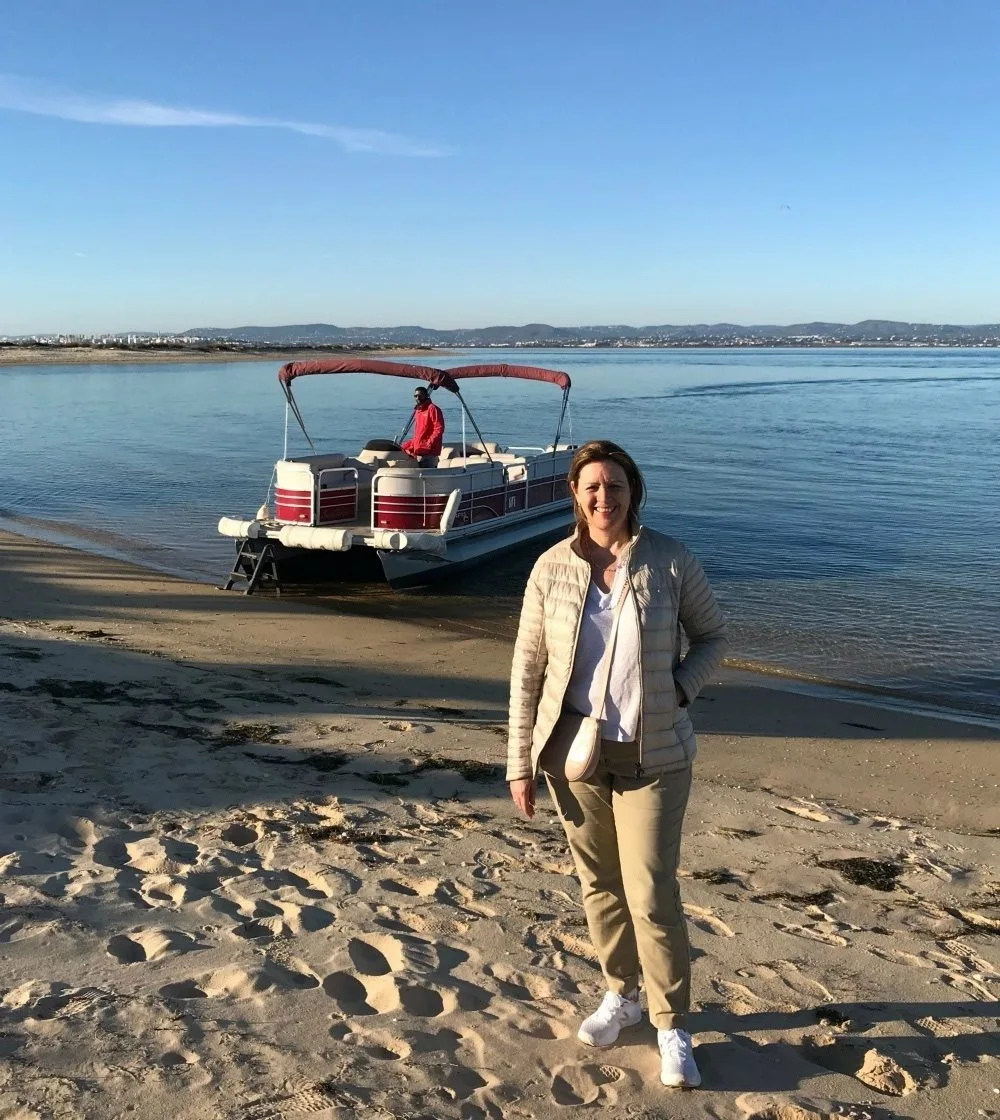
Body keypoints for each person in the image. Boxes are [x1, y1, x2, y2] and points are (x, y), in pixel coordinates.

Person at [507, 439, 727, 1090]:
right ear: (575, 494)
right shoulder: (550, 567)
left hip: (655, 753)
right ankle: (621, 994)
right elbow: (527, 669)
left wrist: (680, 688)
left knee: (653, 892)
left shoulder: (669, 560)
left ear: (635, 492)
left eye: (616, 486)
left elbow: (714, 636)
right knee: (598, 886)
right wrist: (519, 762)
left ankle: (671, 1025)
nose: (604, 497)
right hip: (573, 755)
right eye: (591, 487)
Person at [401, 385, 444, 462]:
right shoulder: (418, 410)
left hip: (429, 451)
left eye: (420, 396)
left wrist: (428, 443)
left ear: (426, 396)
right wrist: (406, 446)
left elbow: (439, 429)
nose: (417, 398)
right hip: (419, 450)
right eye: (415, 396)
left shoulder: (432, 409)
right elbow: (419, 434)